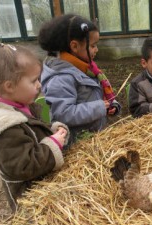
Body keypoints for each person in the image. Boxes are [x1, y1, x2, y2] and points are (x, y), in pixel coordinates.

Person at [0, 38, 69, 212]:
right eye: (33, 81)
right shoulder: (4, 125)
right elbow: (23, 166)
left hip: (42, 190)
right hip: (29, 201)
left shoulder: (19, 104)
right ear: (9, 86)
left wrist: (52, 132)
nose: (39, 85)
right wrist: (52, 145)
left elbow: (32, 133)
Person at [38, 14, 121, 146]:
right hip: (77, 144)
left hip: (94, 138)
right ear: (75, 46)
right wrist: (99, 107)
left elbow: (98, 92)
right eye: (93, 45)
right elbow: (63, 114)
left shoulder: (86, 67)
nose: (97, 50)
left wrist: (112, 105)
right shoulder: (61, 77)